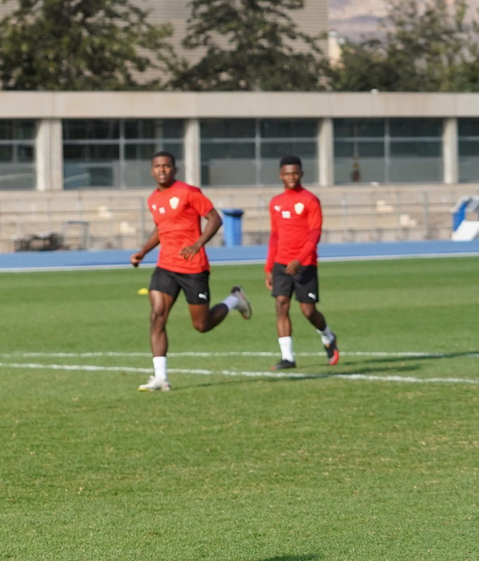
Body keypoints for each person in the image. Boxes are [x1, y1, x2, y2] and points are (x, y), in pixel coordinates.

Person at [129, 151, 251, 391]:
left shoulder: (188, 192)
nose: (162, 170)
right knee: (157, 316)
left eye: (166, 166)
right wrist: (143, 251)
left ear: (175, 169)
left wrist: (198, 243)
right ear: (152, 171)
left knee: (201, 325)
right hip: (166, 266)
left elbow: (214, 219)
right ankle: (160, 378)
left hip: (193, 267)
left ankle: (233, 300)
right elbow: (161, 228)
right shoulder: (153, 199)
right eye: (157, 166)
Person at [266, 155, 339, 370]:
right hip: (281, 263)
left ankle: (327, 336)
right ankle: (288, 357)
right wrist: (268, 267)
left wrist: (300, 259)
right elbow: (275, 236)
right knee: (281, 305)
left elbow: (315, 233)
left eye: (295, 173)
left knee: (308, 310)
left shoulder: (310, 200)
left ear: (301, 174)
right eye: (287, 173)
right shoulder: (276, 203)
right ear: (281, 175)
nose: (291, 177)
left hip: (304, 264)